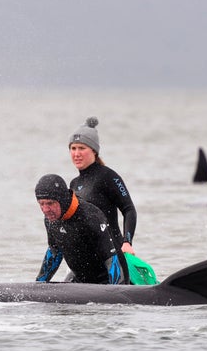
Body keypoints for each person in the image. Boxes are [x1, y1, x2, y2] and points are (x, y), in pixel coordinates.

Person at [35, 174, 129, 285]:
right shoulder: (51, 220)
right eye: (41, 204)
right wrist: (38, 285)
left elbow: (111, 261)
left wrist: (117, 292)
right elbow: (55, 252)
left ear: (62, 199)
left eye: (50, 203)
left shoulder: (90, 217)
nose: (45, 209)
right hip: (80, 282)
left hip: (107, 282)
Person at [68, 117, 137, 255]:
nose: (76, 153)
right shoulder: (74, 184)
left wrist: (127, 242)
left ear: (94, 151)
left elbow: (129, 209)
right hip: (89, 257)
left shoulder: (108, 176)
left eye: (82, 148)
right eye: (73, 148)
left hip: (113, 253)